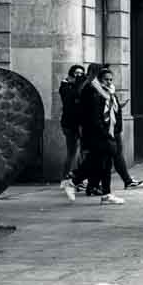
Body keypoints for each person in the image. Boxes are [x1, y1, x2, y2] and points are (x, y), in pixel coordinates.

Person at [78, 64, 129, 202]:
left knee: (104, 164)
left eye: (111, 79)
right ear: (98, 78)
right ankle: (74, 179)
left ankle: (104, 193)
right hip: (101, 134)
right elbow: (94, 116)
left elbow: (112, 110)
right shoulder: (93, 91)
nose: (109, 82)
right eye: (106, 79)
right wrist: (105, 133)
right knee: (98, 162)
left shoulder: (108, 91)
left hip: (109, 132)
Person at [57, 64, 87, 201]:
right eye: (76, 73)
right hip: (70, 124)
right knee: (72, 152)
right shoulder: (65, 86)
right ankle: (65, 179)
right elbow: (70, 101)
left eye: (81, 73)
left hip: (79, 124)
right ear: (71, 74)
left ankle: (79, 178)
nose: (79, 76)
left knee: (83, 152)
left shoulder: (76, 86)